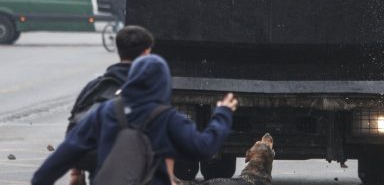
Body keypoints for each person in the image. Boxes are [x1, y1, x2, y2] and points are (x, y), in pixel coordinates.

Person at [32, 54, 238, 185]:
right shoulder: (167, 118)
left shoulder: (103, 112)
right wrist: (222, 113)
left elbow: (58, 161)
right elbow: (204, 147)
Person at [65, 26, 154, 184]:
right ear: (146, 52)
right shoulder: (152, 89)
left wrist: (76, 172)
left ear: (119, 51)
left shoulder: (94, 86)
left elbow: (75, 125)